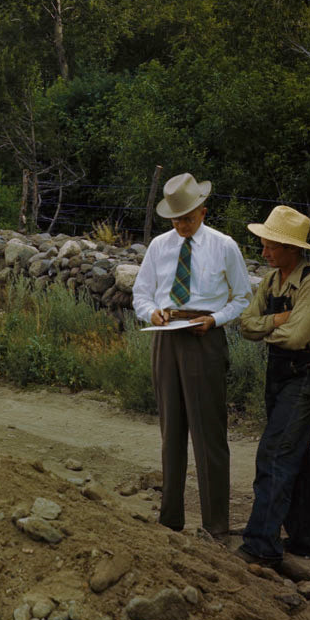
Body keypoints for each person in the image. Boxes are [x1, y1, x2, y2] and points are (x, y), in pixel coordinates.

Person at [132, 172, 252, 538]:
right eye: (175, 218)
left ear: (202, 211)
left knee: (208, 433)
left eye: (187, 217)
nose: (181, 224)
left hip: (204, 338)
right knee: (171, 432)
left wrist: (214, 320)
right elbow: (141, 294)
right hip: (165, 337)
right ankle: (170, 519)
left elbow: (242, 297)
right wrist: (152, 312)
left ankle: (215, 524)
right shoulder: (159, 247)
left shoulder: (224, 246)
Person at [236, 205, 310, 574]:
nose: (264, 252)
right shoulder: (272, 280)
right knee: (298, 456)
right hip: (277, 374)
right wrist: (278, 319)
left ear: (292, 248)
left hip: (305, 374)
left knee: (275, 454)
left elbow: (297, 338)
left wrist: (268, 328)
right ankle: (305, 540)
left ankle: (262, 545)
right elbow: (246, 325)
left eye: (271, 246)